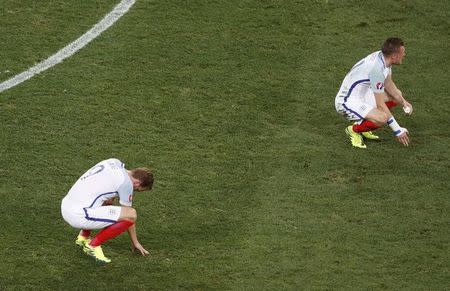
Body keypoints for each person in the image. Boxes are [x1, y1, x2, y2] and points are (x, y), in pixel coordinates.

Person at [61, 158, 154, 263]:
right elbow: (129, 215)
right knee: (131, 214)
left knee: (105, 200)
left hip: (66, 204)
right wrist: (135, 242)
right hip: (78, 215)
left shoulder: (114, 162)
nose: (135, 191)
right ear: (138, 183)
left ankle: (83, 236)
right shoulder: (126, 184)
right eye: (138, 190)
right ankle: (93, 245)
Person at [335, 37, 413, 148]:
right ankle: (354, 130)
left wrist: (403, 102)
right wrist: (397, 130)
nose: (405, 54)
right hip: (347, 101)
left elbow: (389, 84)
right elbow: (381, 105)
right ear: (394, 56)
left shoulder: (383, 58)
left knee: (396, 96)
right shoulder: (376, 70)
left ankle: (364, 125)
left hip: (362, 94)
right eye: (403, 52)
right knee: (382, 118)